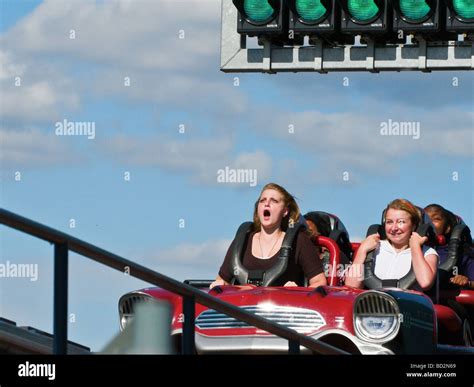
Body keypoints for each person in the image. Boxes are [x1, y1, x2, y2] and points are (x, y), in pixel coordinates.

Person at [210, 183, 327, 289]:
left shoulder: (299, 240)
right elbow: (221, 281)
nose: (267, 203)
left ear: (285, 211)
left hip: (284, 310)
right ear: (258, 208)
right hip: (243, 309)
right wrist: (218, 285)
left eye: (274, 201)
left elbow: (319, 282)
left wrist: (297, 292)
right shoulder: (242, 240)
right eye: (262, 200)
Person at [345, 198, 438, 291]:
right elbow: (351, 286)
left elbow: (425, 282)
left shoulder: (428, 253)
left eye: (401, 222)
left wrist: (415, 247)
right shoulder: (372, 249)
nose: (394, 228)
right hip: (373, 303)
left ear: (413, 226)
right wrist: (362, 251)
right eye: (389, 222)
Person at [424, 204, 474, 290]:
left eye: (436, 219)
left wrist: (467, 282)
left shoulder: (462, 254)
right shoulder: (409, 250)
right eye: (425, 219)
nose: (429, 222)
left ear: (447, 228)